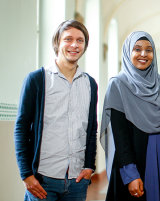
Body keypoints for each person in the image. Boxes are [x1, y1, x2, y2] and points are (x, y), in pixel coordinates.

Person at [14, 20, 98, 201]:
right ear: (57, 43)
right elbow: (21, 128)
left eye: (80, 40)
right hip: (42, 181)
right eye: (68, 39)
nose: (74, 45)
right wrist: (26, 175)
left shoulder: (90, 84)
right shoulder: (37, 79)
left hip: (77, 181)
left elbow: (91, 130)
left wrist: (90, 166)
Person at [100, 31, 160, 201]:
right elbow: (120, 136)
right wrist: (130, 174)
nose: (143, 54)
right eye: (137, 49)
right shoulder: (118, 85)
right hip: (137, 165)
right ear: (128, 52)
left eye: (149, 49)